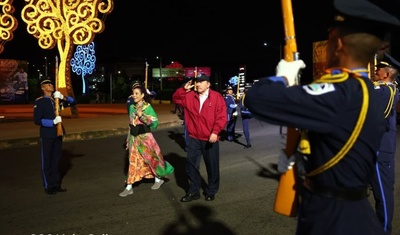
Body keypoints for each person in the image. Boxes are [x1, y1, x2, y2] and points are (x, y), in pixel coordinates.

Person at [244, 0, 400, 234]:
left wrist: (282, 78)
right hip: (343, 210)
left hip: (336, 220)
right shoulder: (363, 90)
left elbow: (258, 99)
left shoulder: (343, 92)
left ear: (337, 43)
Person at [172, 74, 227, 202]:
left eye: (201, 82)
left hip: (209, 138)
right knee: (191, 165)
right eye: (197, 82)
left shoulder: (216, 97)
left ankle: (211, 190)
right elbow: (176, 99)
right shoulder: (190, 96)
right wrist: (183, 90)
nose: (198, 84)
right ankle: (194, 191)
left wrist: (215, 132)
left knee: (212, 166)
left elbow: (222, 117)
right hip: (193, 137)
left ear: (208, 84)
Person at [120, 85, 174, 197]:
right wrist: (128, 139)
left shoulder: (148, 107)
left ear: (142, 95)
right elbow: (130, 125)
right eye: (133, 93)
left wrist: (142, 116)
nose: (133, 96)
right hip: (134, 139)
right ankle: (129, 186)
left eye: (136, 94)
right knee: (133, 161)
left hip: (145, 139)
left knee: (152, 159)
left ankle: (158, 179)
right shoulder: (132, 107)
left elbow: (154, 124)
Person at [370, 53, 400, 234]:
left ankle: (384, 230)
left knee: (383, 194)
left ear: (386, 74)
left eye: (378, 69)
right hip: (375, 149)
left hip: (381, 150)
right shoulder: (381, 89)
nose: (374, 71)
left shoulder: (386, 90)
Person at [33, 79, 75, 195]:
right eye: (48, 84)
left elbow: (73, 102)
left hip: (58, 134)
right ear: (43, 88)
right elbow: (37, 120)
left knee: (56, 160)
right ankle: (48, 186)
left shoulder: (55, 99)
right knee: (47, 161)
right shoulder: (40, 102)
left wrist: (63, 97)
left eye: (51, 83)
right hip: (47, 134)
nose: (51, 85)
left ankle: (56, 184)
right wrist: (52, 122)